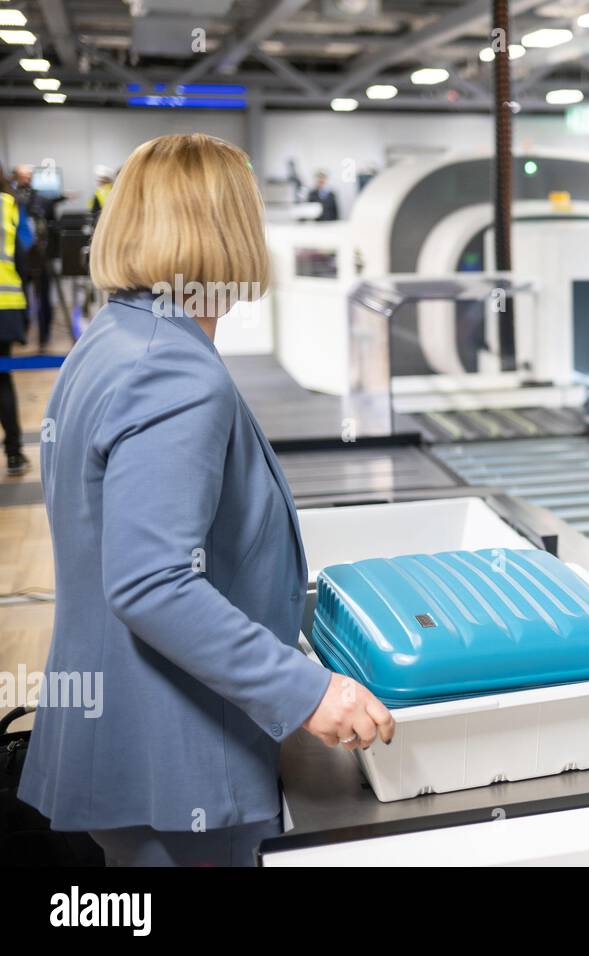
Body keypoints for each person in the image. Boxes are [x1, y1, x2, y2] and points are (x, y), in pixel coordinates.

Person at [18, 134, 395, 867]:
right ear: (227, 231)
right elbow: (151, 580)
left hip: (122, 737)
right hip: (174, 754)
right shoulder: (177, 374)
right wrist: (306, 690)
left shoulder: (112, 342)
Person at [0, 165, 34, 475]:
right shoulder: (9, 205)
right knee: (2, 381)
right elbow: (23, 257)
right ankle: (13, 454)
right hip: (6, 304)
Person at [12, 164, 62, 350]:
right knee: (21, 298)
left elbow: (53, 229)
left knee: (44, 300)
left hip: (41, 257)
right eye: (23, 176)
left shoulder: (42, 200)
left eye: (29, 176)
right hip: (18, 259)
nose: (27, 179)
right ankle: (21, 333)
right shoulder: (11, 201)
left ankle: (44, 336)